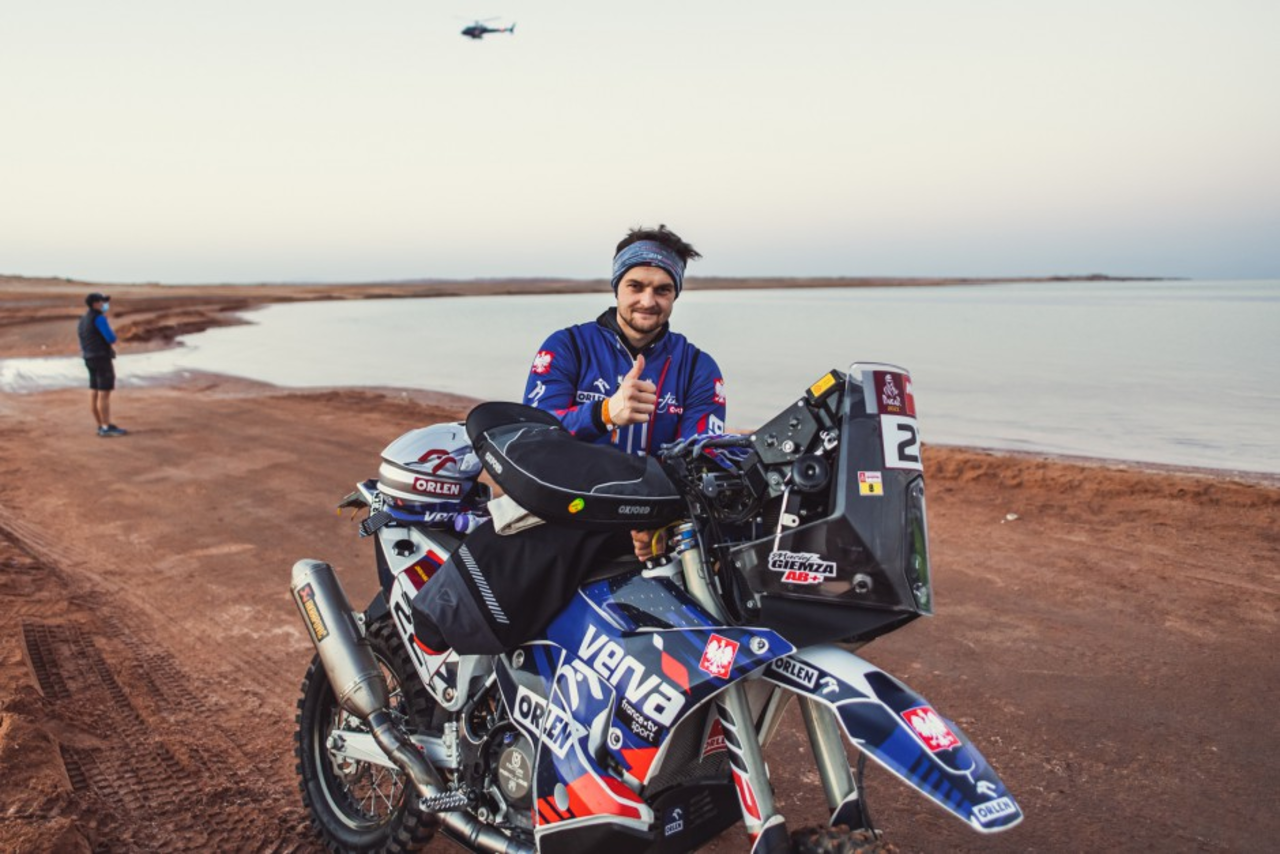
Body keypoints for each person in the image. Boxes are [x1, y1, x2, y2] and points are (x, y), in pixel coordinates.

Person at [522, 224, 726, 559]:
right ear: (616, 287)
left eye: (663, 290)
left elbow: (701, 461)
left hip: (652, 525)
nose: (648, 301)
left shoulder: (698, 367)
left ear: (675, 295)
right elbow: (532, 438)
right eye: (636, 286)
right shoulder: (567, 346)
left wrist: (665, 521)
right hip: (567, 515)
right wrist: (603, 413)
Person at [79, 292, 128, 438]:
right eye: (102, 301)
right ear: (95, 303)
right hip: (101, 358)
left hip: (89, 358)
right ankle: (106, 428)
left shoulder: (83, 319)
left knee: (94, 390)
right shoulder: (99, 318)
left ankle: (101, 424)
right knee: (104, 393)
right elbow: (111, 338)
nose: (105, 304)